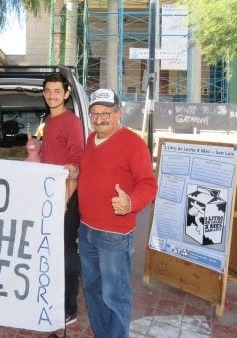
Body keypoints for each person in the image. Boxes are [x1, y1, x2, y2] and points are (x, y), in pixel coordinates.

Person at [77, 88, 157, 338]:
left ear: (118, 113)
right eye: (95, 113)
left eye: (106, 113)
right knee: (92, 290)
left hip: (114, 235)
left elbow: (148, 184)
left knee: (115, 296)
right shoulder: (91, 140)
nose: (100, 119)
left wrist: (131, 202)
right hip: (87, 229)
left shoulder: (133, 143)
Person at [39, 73, 84, 325]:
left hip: (66, 198)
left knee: (67, 252)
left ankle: (69, 308)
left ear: (66, 94)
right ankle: (53, 298)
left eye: (57, 91)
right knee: (51, 251)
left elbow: (75, 165)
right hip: (49, 196)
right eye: (48, 90)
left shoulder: (71, 122)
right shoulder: (49, 120)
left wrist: (65, 200)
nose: (52, 95)